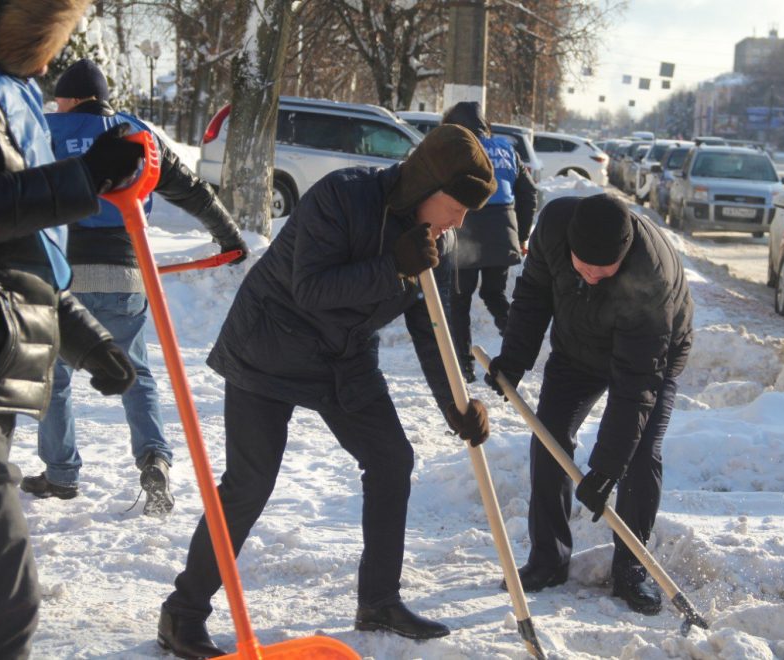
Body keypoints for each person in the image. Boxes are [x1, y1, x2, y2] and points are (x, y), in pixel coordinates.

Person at [158, 124, 496, 657]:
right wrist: (393, 266)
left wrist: (455, 404)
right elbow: (311, 288)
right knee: (250, 482)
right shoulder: (343, 196)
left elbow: (432, 328)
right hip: (270, 344)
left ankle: (379, 600)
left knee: (391, 460)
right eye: (456, 207)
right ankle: (182, 614)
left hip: (344, 358)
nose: (459, 221)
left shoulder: (438, 238)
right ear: (425, 185)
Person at [0, 2, 146, 657]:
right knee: (4, 606)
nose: (46, 67)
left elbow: (23, 261)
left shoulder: (2, 98)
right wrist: (86, 175)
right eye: (42, 46)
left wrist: (94, 345)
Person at [19, 59, 249, 516]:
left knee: (55, 377)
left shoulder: (44, 129)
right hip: (125, 275)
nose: (57, 106)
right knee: (136, 373)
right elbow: (191, 190)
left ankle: (61, 473)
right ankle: (154, 460)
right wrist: (229, 237)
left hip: (61, 275)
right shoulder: (136, 133)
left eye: (60, 100)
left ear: (70, 99)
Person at [485, 192, 693, 615]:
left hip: (651, 358)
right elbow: (533, 294)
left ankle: (631, 570)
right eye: (584, 267)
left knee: (640, 455)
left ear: (624, 253)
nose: (593, 277)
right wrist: (514, 359)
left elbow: (636, 384)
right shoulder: (553, 227)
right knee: (550, 438)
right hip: (577, 348)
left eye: (605, 269)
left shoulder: (650, 274)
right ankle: (548, 559)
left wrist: (607, 468)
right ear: (570, 246)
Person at [440, 101, 537, 382]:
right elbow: (529, 194)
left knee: (459, 300)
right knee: (495, 295)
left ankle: (463, 366)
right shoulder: (507, 149)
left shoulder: (457, 148)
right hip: (502, 230)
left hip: (466, 229)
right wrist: (520, 236)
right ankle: (518, 350)